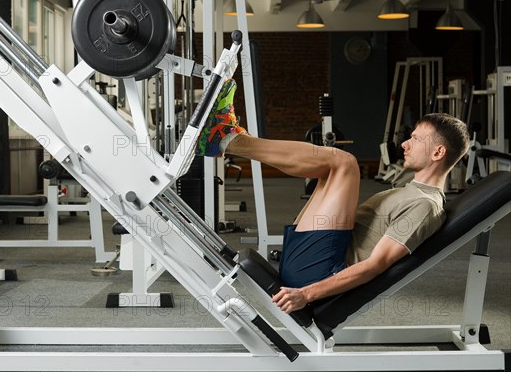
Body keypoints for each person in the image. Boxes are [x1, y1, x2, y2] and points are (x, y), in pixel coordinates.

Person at [196, 80, 470, 314]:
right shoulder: (413, 192)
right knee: (330, 168)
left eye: (417, 139)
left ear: (437, 153)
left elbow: (376, 265)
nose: (405, 144)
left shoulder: (425, 206)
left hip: (319, 271)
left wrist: (307, 294)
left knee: (345, 163)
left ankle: (228, 139)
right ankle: (227, 139)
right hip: (312, 257)